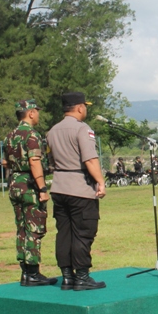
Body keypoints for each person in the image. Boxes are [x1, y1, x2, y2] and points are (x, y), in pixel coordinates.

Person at [46, 92, 107, 291]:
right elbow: (90, 159)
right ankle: (82, 276)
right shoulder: (82, 129)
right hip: (79, 187)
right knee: (83, 231)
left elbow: (52, 162)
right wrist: (100, 181)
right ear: (80, 107)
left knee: (64, 232)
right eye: (85, 106)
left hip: (59, 186)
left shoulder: (52, 131)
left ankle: (67, 276)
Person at [3, 99, 57, 287]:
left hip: (15, 183)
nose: (38, 115)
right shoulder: (31, 135)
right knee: (34, 227)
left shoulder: (10, 136)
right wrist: (42, 188)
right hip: (29, 184)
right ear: (31, 113)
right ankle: (33, 272)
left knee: (22, 228)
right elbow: (35, 161)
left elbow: (5, 162)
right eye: (37, 111)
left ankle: (25, 272)